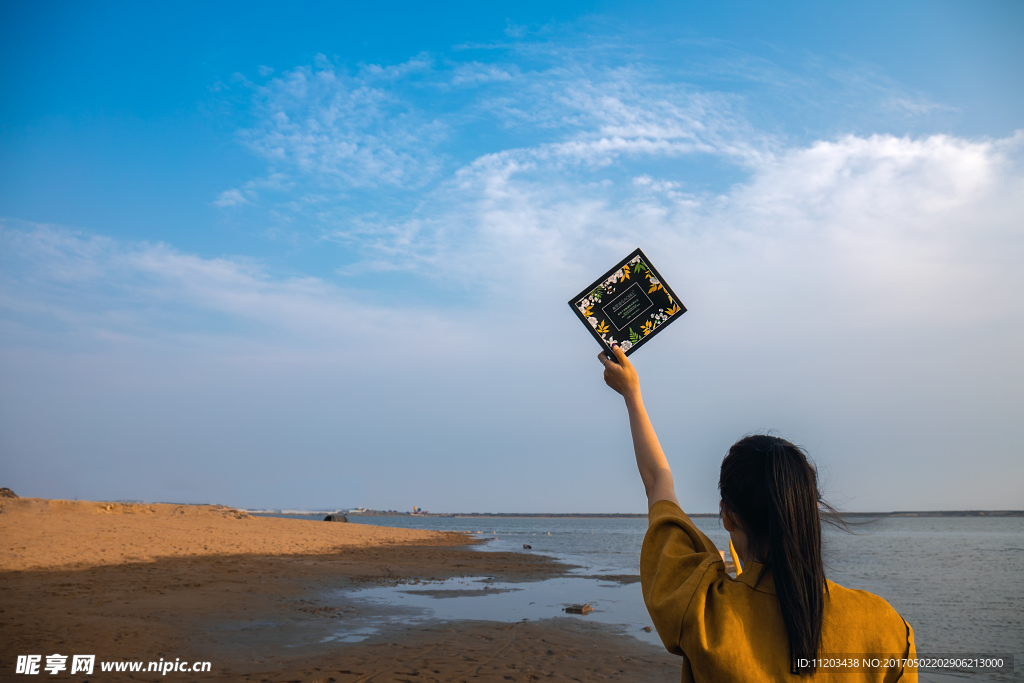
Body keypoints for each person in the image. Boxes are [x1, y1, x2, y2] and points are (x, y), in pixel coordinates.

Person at [598, 345, 917, 681]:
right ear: (813, 510)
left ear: (728, 516)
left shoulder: (703, 611)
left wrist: (632, 394)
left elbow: (657, 483)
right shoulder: (885, 627)